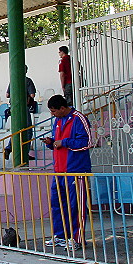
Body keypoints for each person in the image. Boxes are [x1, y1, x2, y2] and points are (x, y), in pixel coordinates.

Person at [42, 94, 92, 249]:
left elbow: (86, 142)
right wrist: (51, 143)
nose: (52, 114)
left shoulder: (79, 118)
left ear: (63, 108)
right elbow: (58, 142)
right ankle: (60, 235)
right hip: (59, 171)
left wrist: (63, 142)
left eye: (54, 111)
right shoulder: (57, 120)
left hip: (75, 171)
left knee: (75, 205)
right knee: (57, 204)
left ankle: (77, 239)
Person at [4, 65, 37, 160]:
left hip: (13, 108)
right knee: (28, 130)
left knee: (16, 130)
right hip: (23, 107)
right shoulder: (27, 81)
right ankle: (25, 153)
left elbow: (7, 95)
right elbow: (32, 94)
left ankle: (9, 148)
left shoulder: (13, 81)